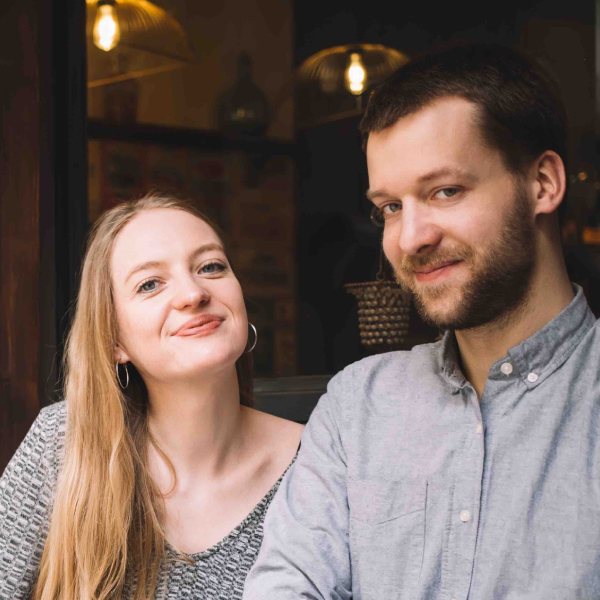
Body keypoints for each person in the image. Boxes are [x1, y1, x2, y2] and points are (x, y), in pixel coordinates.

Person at [243, 43, 600, 600]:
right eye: (390, 207)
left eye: (445, 191)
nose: (410, 238)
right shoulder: (356, 407)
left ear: (543, 184)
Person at [0, 193, 303, 600]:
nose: (193, 293)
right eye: (150, 284)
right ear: (113, 341)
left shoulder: (318, 462)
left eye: (210, 266)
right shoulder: (65, 442)